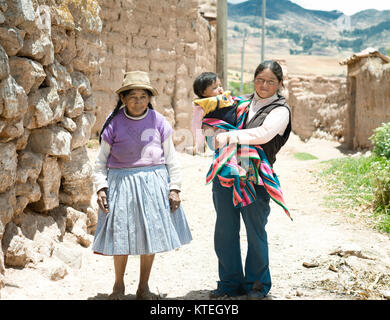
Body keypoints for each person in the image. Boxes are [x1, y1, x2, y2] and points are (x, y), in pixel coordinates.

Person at [92, 71, 192, 300]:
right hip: (121, 183)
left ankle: (143, 287)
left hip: (153, 184)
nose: (139, 101)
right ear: (124, 99)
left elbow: (171, 158)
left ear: (149, 98)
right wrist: (101, 187)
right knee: (122, 236)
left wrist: (174, 187)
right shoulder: (114, 123)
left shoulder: (158, 121)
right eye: (133, 96)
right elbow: (100, 162)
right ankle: (118, 286)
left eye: (143, 96)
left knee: (151, 236)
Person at [208, 60, 292, 299]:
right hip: (227, 173)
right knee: (225, 229)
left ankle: (257, 285)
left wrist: (229, 136)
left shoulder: (280, 110)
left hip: (256, 178)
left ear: (279, 84)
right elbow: (213, 125)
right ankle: (229, 284)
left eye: (270, 81)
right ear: (253, 79)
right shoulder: (240, 103)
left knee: (255, 231)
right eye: (259, 80)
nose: (264, 85)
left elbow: (262, 134)